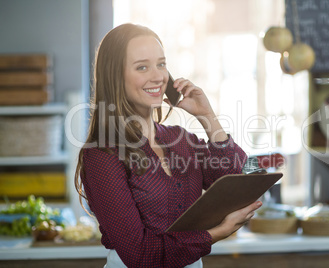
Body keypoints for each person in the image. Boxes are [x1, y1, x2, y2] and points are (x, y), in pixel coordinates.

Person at [74, 23, 262, 268]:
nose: (158, 76)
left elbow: (233, 180)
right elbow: (140, 254)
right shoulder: (102, 155)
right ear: (115, 76)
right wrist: (215, 234)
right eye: (142, 67)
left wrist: (207, 116)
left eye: (161, 64)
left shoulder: (180, 139)